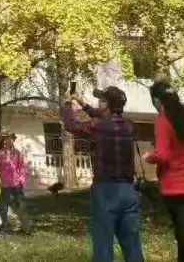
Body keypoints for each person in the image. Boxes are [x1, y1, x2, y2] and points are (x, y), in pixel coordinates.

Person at [61, 87, 144, 262]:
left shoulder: (98, 126)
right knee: (132, 244)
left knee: (103, 245)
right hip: (128, 190)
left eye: (101, 100)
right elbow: (103, 117)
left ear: (105, 104)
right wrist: (84, 105)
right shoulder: (129, 126)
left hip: (106, 190)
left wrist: (67, 105)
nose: (98, 103)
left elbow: (72, 125)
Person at [145, 81, 184, 262]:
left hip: (175, 188)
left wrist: (150, 156)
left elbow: (163, 155)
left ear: (157, 100)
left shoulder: (163, 120)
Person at [0, 132, 31, 234]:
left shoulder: (18, 153)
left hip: (17, 183)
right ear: (3, 141)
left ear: (13, 140)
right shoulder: (0, 153)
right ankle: (4, 227)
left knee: (21, 205)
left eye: (9, 138)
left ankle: (26, 229)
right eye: (5, 139)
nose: (7, 140)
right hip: (5, 184)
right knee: (3, 207)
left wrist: (22, 181)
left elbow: (22, 168)